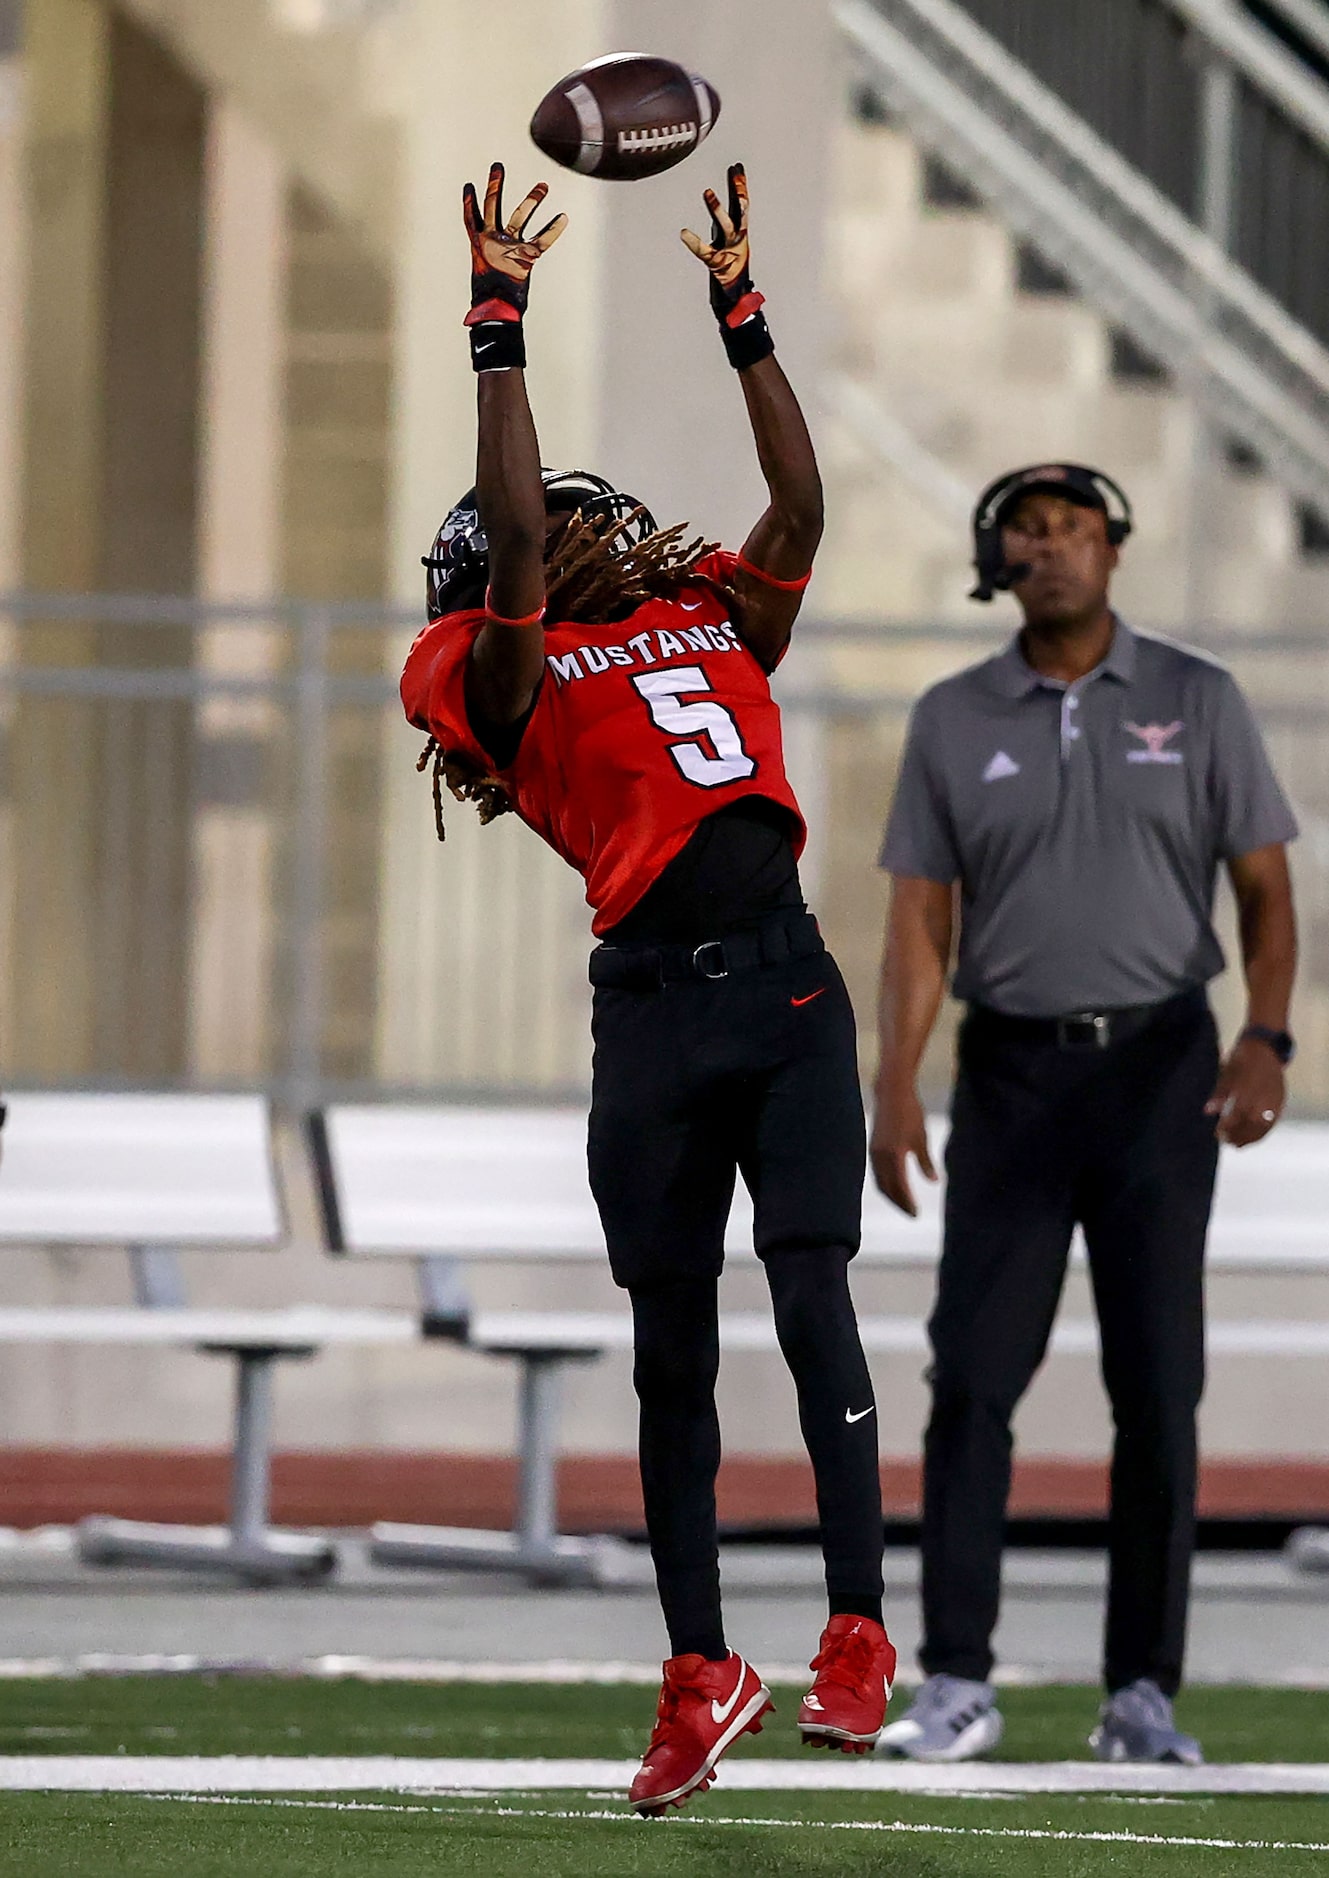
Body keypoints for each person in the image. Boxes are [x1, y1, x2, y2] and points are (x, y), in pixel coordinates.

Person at [401, 160, 895, 1816]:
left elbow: (801, 508)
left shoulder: (700, 609)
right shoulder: (496, 665)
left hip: (785, 984)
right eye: (571, 526)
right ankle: (698, 1665)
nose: (621, 531)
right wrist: (497, 324)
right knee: (666, 1344)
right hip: (655, 1005)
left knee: (811, 1281)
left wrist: (742, 319)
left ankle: (852, 1629)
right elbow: (528, 536)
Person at [871, 463, 1298, 1765]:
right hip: (1009, 1075)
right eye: (1024, 531)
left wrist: (1265, 1036)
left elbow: (1266, 895)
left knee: (1156, 1382)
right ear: (992, 560)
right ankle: (953, 1678)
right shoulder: (952, 717)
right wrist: (892, 1074)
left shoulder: (1195, 699)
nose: (1048, 548)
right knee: (972, 1379)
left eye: (1071, 529)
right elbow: (920, 917)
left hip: (1158, 1069)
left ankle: (1141, 1691)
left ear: (1113, 549)